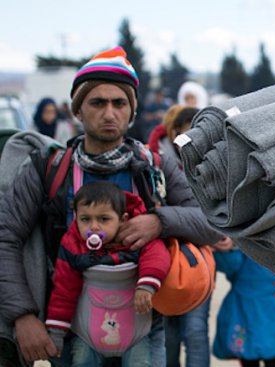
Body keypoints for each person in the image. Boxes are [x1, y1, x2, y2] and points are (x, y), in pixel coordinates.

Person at [0, 46, 222, 366]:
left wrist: (159, 221)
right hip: (70, 332)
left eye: (119, 103)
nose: (109, 112)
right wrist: (23, 316)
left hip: (144, 331)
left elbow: (211, 221)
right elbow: (6, 236)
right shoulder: (48, 168)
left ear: (131, 112)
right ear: (78, 110)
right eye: (97, 102)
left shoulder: (155, 167)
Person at [46, 181, 170, 366]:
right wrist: (56, 332)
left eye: (104, 219)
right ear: (76, 218)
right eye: (85, 219)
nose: (94, 227)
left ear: (123, 219)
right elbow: (63, 291)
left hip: (137, 334)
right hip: (87, 335)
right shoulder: (72, 245)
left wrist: (146, 285)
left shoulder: (138, 239)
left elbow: (157, 256)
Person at [147, 104, 217, 367]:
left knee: (196, 332)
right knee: (169, 334)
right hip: (162, 261)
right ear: (175, 131)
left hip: (198, 261)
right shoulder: (153, 162)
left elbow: (222, 214)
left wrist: (223, 235)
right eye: (191, 132)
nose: (196, 139)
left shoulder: (214, 161)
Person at [212, 248, 275, 367]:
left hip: (268, 309)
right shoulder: (239, 248)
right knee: (251, 355)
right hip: (245, 309)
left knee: (272, 354)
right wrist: (227, 247)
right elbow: (229, 264)